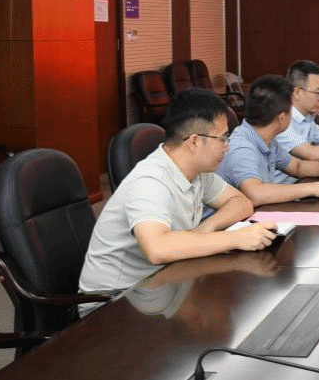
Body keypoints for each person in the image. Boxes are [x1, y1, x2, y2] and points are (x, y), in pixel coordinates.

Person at [78, 88, 275, 295]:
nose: (227, 147)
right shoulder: (150, 181)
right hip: (116, 298)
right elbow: (157, 248)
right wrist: (236, 238)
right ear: (194, 142)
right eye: (223, 139)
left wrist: (206, 228)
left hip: (161, 283)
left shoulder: (197, 171)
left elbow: (241, 203)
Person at [220, 74, 319, 203]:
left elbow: (297, 167)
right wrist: (314, 188)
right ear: (282, 118)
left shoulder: (266, 139)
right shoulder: (242, 147)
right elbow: (256, 194)